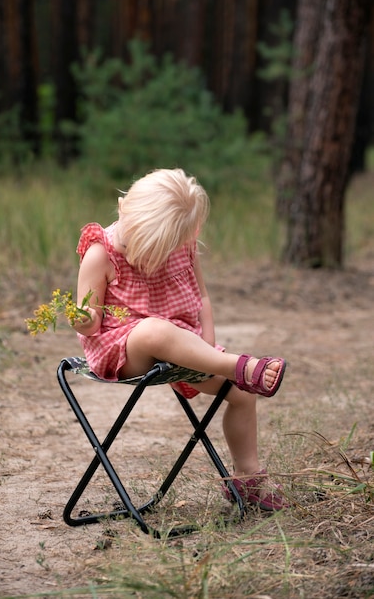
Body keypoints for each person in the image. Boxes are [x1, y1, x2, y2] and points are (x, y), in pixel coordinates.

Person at [74, 168, 289, 511]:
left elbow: (202, 298)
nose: (151, 257)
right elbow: (89, 323)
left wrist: (206, 349)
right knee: (153, 329)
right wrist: (83, 320)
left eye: (162, 249)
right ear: (121, 207)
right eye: (140, 246)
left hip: (184, 348)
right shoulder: (101, 253)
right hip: (125, 349)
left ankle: (247, 477)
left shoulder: (182, 245)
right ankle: (238, 365)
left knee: (244, 394)